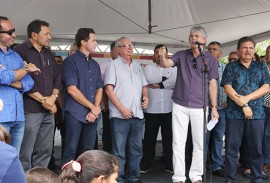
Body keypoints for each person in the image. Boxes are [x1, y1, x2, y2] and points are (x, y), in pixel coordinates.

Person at [158, 26, 219, 183]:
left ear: (204, 40)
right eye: (191, 35)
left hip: (200, 105)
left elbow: (212, 84)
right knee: (178, 142)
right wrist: (163, 56)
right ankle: (178, 177)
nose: (193, 38)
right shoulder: (181, 55)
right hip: (180, 103)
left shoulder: (210, 60)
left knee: (199, 143)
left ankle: (196, 175)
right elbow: (166, 64)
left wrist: (214, 107)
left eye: (197, 36)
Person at [221, 36, 270, 183]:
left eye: (250, 48)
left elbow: (266, 87)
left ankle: (256, 179)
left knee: (256, 149)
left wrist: (246, 100)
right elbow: (227, 88)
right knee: (231, 149)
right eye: (244, 47)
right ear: (238, 50)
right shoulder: (231, 66)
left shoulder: (261, 66)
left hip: (257, 114)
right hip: (234, 114)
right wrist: (243, 105)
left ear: (253, 50)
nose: (248, 50)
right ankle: (229, 179)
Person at [13, 19, 61, 171]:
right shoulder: (20, 51)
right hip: (30, 109)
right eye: (46, 33)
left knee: (45, 150)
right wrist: (43, 100)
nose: (50, 37)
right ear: (34, 35)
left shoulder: (48, 53)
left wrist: (53, 98)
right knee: (25, 151)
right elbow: (23, 79)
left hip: (48, 110)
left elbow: (57, 77)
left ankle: (39, 179)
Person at [104, 36, 149, 183]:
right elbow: (109, 90)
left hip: (137, 114)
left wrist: (146, 97)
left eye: (131, 46)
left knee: (136, 150)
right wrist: (122, 108)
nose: (130, 48)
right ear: (119, 49)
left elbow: (144, 86)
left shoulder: (137, 66)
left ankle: (134, 178)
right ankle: (119, 179)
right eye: (126, 46)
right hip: (119, 115)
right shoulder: (114, 65)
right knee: (119, 152)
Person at [61, 28, 103, 165]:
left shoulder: (95, 64)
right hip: (75, 113)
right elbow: (72, 90)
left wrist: (95, 109)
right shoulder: (70, 61)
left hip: (92, 115)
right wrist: (93, 107)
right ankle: (67, 180)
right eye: (93, 40)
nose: (96, 43)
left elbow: (99, 88)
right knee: (70, 150)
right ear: (83, 42)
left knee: (88, 152)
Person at [0, 16, 40, 153]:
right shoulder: (19, 59)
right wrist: (26, 69)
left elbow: (29, 83)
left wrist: (11, 78)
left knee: (13, 160)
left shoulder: (15, 56)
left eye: (14, 31)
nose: (14, 35)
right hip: (2, 118)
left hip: (18, 117)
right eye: (10, 32)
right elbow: (3, 77)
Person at [140, 44, 176, 174]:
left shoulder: (174, 69)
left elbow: (174, 82)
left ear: (167, 55)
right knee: (149, 138)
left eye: (163, 52)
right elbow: (148, 79)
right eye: (157, 52)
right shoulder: (148, 68)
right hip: (151, 110)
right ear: (154, 55)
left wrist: (158, 84)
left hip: (169, 109)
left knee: (169, 138)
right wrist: (165, 83)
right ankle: (146, 163)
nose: (160, 54)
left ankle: (170, 164)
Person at [206, 41, 226, 177]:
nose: (211, 51)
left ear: (220, 52)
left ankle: (216, 165)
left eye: (214, 49)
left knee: (218, 137)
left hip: (222, 109)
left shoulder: (227, 68)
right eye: (209, 49)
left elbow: (232, 86)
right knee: (204, 138)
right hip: (205, 109)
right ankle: (202, 164)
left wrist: (228, 102)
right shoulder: (203, 67)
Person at [99, 41, 119, 153]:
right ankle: (107, 155)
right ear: (111, 51)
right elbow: (100, 86)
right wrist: (104, 103)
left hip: (124, 106)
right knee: (108, 131)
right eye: (118, 49)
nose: (120, 51)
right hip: (108, 105)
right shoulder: (103, 66)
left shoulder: (128, 65)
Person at [263, 45, 270, 173]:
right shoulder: (261, 67)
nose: (269, 54)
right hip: (263, 107)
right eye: (268, 52)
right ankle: (266, 162)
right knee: (265, 135)